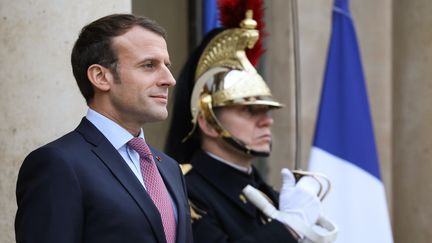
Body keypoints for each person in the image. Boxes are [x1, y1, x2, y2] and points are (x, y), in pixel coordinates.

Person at [15, 14, 192, 243]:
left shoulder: (169, 168)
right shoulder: (58, 164)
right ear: (100, 77)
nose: (169, 79)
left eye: (167, 66)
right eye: (149, 65)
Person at [165, 7, 324, 243]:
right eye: (249, 110)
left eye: (266, 110)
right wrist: (291, 227)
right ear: (208, 123)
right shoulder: (185, 192)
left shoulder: (265, 192)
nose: (266, 121)